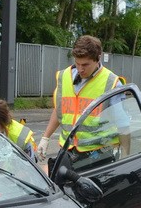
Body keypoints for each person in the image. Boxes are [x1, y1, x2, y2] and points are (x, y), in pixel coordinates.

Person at [37, 35, 131, 163]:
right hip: (68, 150)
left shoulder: (111, 82)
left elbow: (123, 124)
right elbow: (60, 111)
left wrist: (126, 158)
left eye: (85, 64)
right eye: (77, 63)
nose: (80, 69)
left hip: (99, 154)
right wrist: (45, 137)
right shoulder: (64, 77)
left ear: (98, 59)